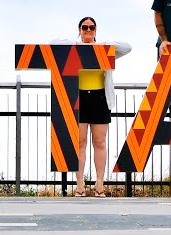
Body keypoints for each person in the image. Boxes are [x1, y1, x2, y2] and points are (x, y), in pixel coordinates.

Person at [55, 17, 131, 197]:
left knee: (100, 142)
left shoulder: (104, 50)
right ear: (79, 30)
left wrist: (101, 45)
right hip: (79, 98)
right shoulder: (74, 49)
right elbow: (53, 43)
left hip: (99, 98)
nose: (88, 30)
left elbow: (127, 47)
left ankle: (99, 184)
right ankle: (79, 184)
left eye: (91, 28)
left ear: (96, 30)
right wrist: (78, 44)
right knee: (80, 142)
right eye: (84, 27)